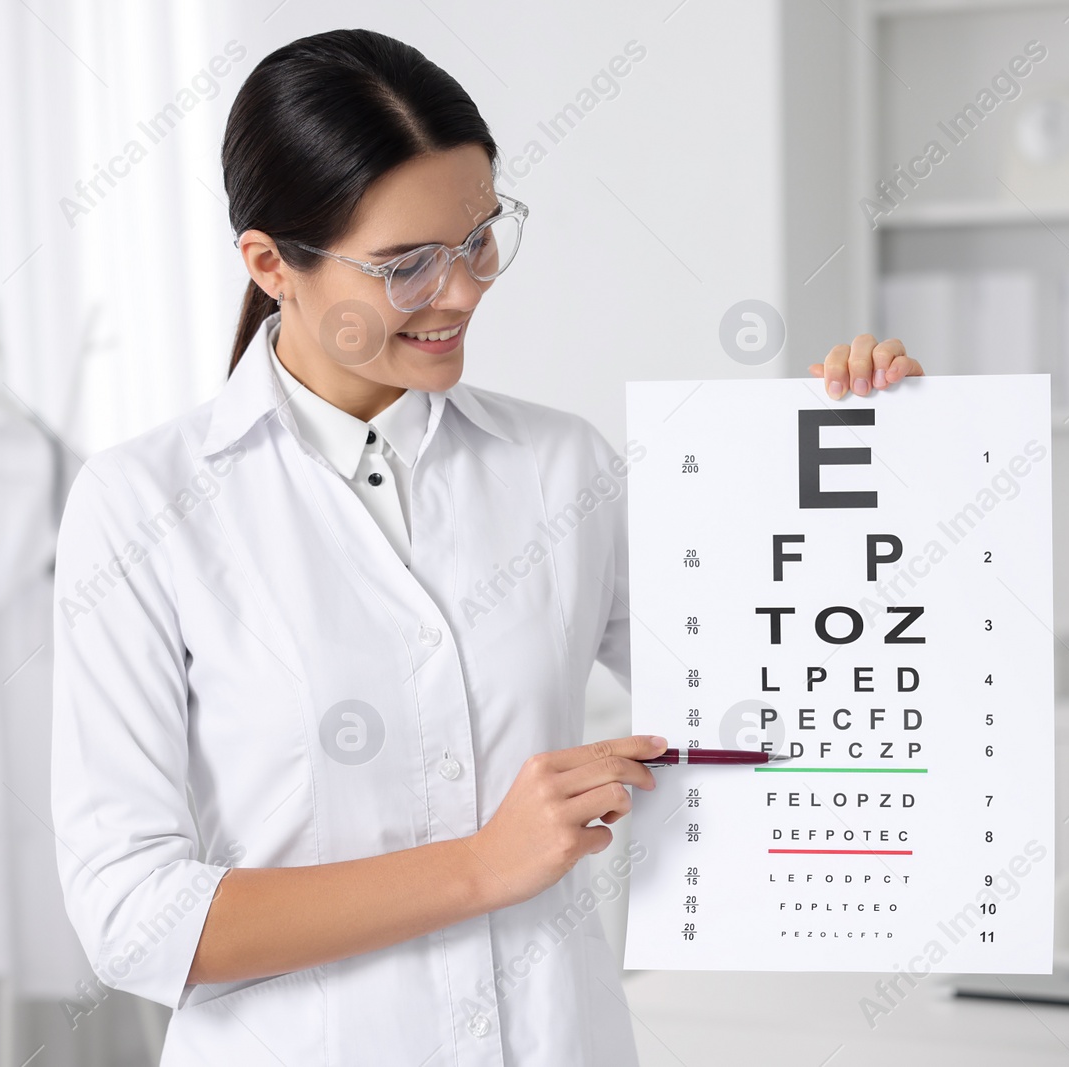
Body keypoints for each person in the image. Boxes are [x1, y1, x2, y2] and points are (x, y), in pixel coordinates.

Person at [49, 27, 923, 1066]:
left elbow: (793, 708)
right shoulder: (144, 505)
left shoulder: (561, 466)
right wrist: (481, 864)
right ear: (270, 262)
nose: (463, 290)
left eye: (478, 237)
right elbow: (132, 917)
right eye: (408, 264)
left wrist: (870, 466)